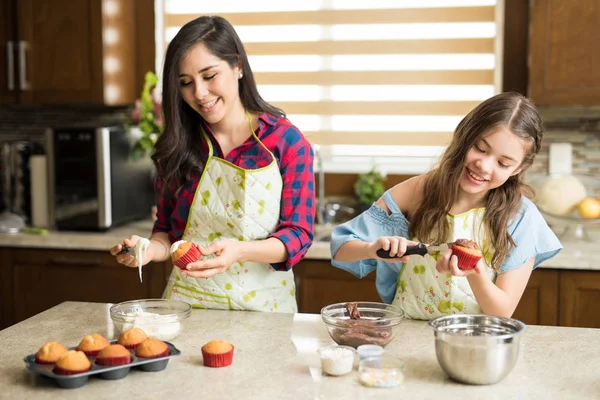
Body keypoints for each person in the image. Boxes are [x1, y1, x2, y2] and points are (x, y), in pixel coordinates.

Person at [110, 16, 315, 313]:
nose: (200, 94)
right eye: (186, 83)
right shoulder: (177, 146)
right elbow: (167, 233)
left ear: (238, 66)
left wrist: (239, 251)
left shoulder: (285, 142)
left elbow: (298, 235)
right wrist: (145, 251)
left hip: (264, 314)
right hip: (187, 309)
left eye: (209, 76)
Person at [330, 92, 562, 319]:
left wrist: (475, 273)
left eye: (503, 163)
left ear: (518, 168)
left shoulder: (520, 216)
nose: (484, 165)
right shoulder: (418, 190)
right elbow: (340, 249)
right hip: (407, 331)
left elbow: (502, 311)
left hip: (474, 339)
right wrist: (372, 249)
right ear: (463, 134)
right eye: (480, 148)